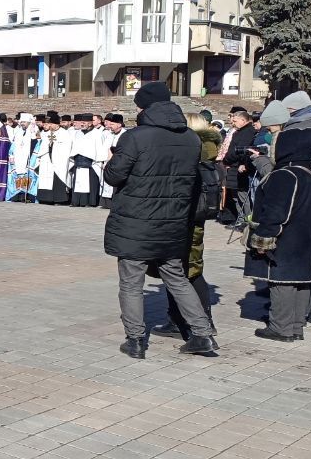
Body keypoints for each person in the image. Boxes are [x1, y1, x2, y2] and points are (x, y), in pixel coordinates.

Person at [104, 83, 216, 359]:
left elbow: (113, 176)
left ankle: (136, 340)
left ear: (143, 108)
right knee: (177, 278)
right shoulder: (191, 138)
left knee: (131, 283)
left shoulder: (135, 137)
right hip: (173, 223)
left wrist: (112, 159)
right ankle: (202, 334)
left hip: (136, 223)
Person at [151, 113, 222, 342]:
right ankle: (177, 320)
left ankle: (203, 323)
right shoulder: (206, 151)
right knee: (180, 270)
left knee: (188, 272)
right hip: (192, 217)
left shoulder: (196, 152)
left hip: (185, 217)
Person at [245, 127, 311, 342]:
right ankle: (296, 325)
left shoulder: (285, 175)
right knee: (302, 279)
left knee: (282, 280)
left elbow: (276, 212)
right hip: (307, 235)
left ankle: (280, 327)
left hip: (287, 237)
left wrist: (264, 238)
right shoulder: (310, 173)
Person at [222, 110, 258, 230]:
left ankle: (247, 221)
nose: (233, 123)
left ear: (243, 120)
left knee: (242, 196)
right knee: (235, 195)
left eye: (235, 121)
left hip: (239, 167)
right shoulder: (240, 131)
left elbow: (240, 151)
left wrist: (228, 158)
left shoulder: (247, 132)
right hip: (233, 167)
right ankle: (240, 219)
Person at [35, 112, 71, 205]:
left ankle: (59, 199)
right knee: (45, 179)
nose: (49, 126)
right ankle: (45, 198)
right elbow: (43, 145)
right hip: (47, 158)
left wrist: (54, 147)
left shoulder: (64, 133)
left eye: (51, 124)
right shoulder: (47, 133)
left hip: (59, 160)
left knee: (57, 179)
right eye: (48, 124)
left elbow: (66, 147)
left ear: (56, 124)